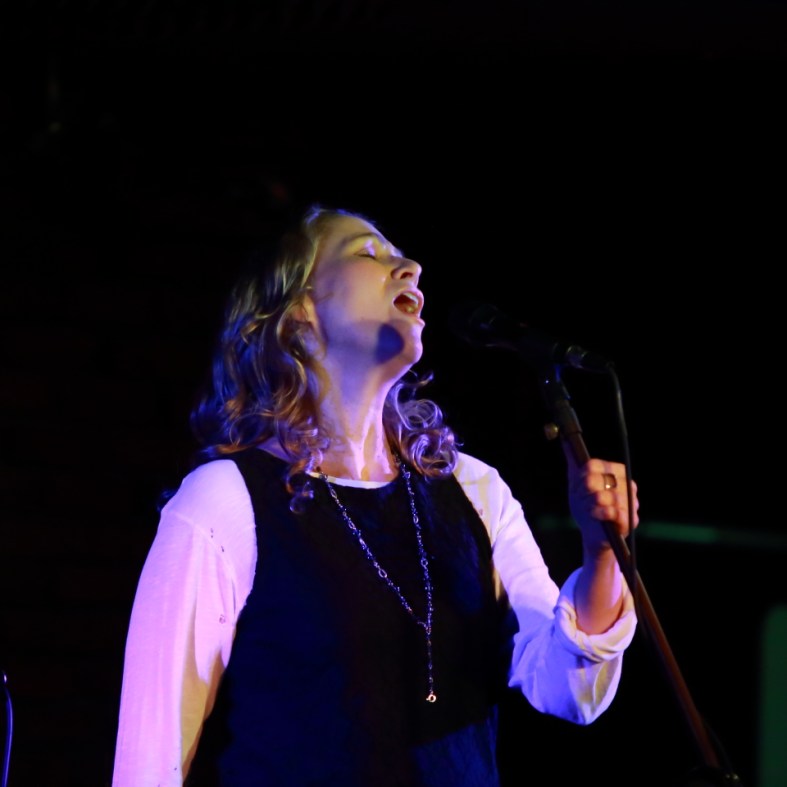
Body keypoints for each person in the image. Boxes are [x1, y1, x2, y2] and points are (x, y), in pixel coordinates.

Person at [112, 203, 639, 786]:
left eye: (402, 255)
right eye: (368, 253)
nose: (410, 267)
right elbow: (150, 757)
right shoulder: (224, 501)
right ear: (300, 313)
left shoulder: (472, 490)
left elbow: (567, 690)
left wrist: (601, 555)